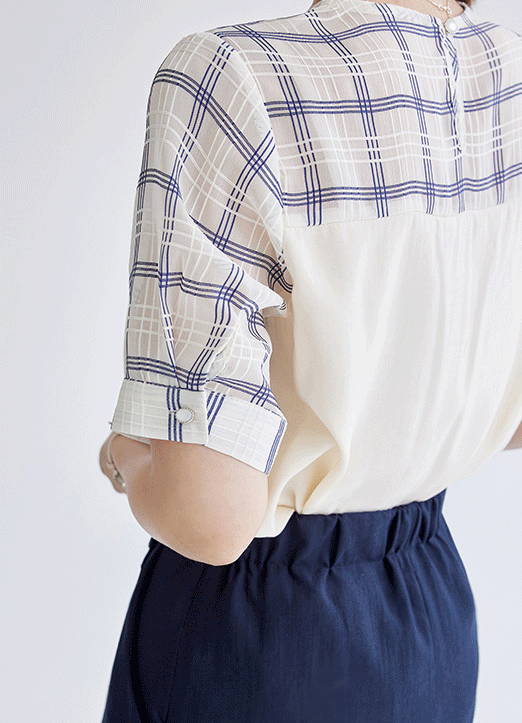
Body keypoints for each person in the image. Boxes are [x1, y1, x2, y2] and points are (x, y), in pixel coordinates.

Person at [98, 0, 522, 720]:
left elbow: (209, 515)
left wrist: (125, 455)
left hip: (261, 634)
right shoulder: (507, 73)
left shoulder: (233, 77)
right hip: (431, 619)